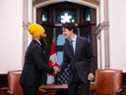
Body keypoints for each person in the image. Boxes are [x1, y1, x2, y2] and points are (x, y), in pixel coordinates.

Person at [20, 23, 60, 95]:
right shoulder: (35, 46)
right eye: (43, 33)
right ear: (38, 34)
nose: (45, 35)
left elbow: (43, 60)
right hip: (30, 81)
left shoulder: (36, 45)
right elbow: (40, 65)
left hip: (31, 80)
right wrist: (52, 70)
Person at [62, 23, 94, 95]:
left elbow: (90, 57)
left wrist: (91, 72)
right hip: (72, 76)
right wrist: (57, 70)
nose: (63, 33)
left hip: (84, 75)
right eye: (63, 31)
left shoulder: (84, 41)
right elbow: (65, 62)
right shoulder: (65, 45)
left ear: (71, 30)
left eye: (65, 31)